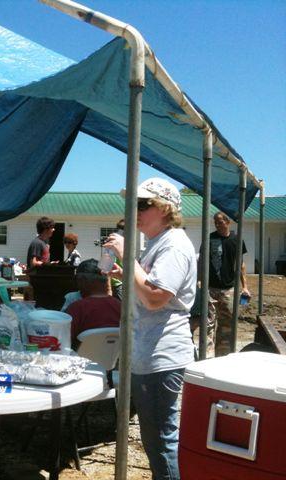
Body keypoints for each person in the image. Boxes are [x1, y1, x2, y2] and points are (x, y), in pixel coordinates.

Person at [104, 177, 196, 480]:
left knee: (160, 440)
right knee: (156, 438)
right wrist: (127, 271)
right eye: (133, 204)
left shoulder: (174, 245)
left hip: (162, 356)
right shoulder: (160, 242)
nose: (136, 210)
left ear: (166, 209)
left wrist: (127, 258)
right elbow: (148, 287)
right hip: (151, 354)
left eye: (144, 204)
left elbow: (156, 297)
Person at [203, 211, 250, 356]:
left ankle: (222, 356)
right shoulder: (210, 238)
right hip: (210, 288)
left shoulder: (237, 239)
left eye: (220, 222)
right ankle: (207, 356)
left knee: (227, 325)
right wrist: (200, 281)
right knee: (208, 323)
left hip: (228, 289)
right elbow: (202, 261)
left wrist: (245, 287)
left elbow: (241, 265)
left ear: (228, 222)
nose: (217, 224)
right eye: (215, 222)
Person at [66, 258, 120, 349]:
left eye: (77, 279)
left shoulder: (77, 308)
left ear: (83, 280)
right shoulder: (120, 306)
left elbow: (63, 340)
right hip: (113, 361)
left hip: (80, 361)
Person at [110, 219, 125, 301]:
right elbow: (107, 266)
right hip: (117, 284)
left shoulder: (126, 243)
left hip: (123, 282)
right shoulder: (114, 244)